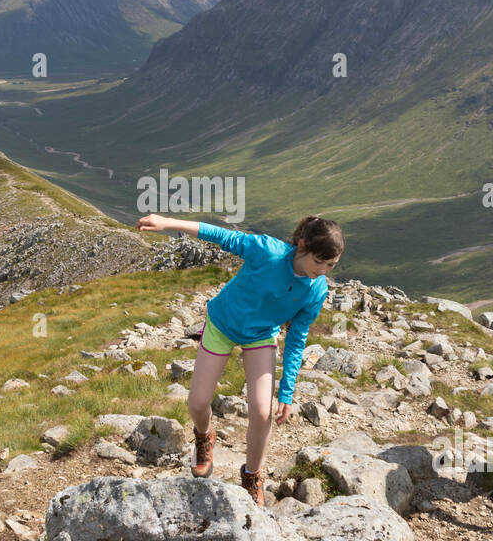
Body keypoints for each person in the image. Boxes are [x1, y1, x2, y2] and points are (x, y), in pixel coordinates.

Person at [134, 214, 343, 505]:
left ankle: (251, 475)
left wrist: (287, 390)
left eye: (330, 266)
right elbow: (221, 236)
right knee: (196, 403)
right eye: (318, 262)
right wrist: (167, 223)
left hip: (260, 335)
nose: (321, 271)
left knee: (261, 411)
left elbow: (297, 337)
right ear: (301, 245)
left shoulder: (317, 289)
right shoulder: (267, 250)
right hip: (222, 324)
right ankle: (205, 435)